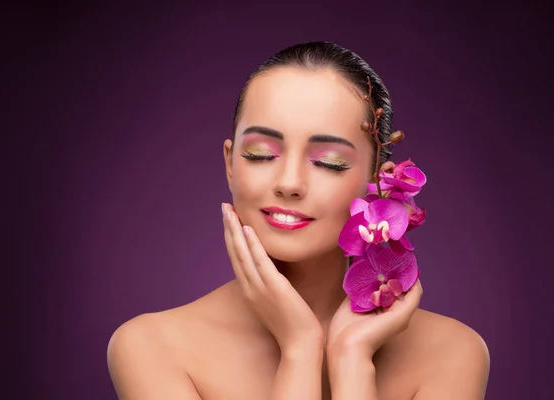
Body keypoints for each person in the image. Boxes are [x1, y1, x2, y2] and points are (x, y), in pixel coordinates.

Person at [106, 41, 490, 399]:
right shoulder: (150, 347)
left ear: (377, 184)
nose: (289, 183)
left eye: (329, 162)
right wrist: (299, 348)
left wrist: (352, 360)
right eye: (259, 154)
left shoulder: (453, 353)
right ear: (229, 164)